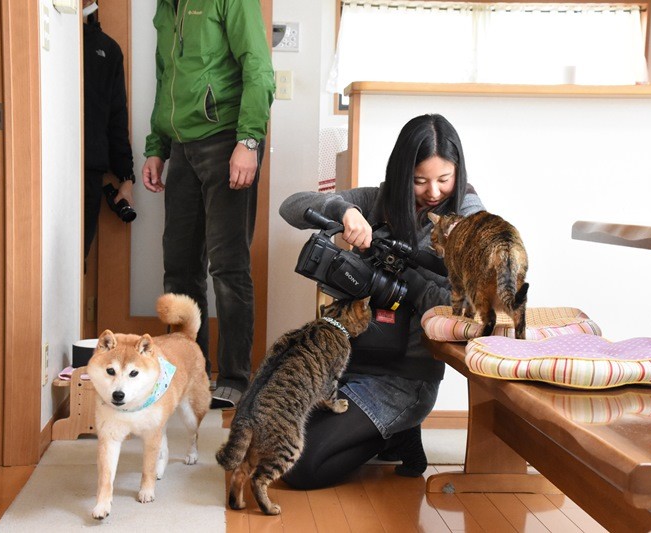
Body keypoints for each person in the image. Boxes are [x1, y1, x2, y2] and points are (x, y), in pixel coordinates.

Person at [278, 114, 485, 488]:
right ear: (403, 173)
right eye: (419, 180)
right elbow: (290, 206)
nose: (433, 192)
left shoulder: (468, 220)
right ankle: (393, 434)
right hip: (348, 364)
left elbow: (464, 307)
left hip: (404, 377)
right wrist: (344, 211)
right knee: (272, 435)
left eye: (444, 179)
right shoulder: (378, 202)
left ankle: (395, 433)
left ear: (459, 172)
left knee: (298, 466)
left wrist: (403, 276)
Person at [141, 0, 275, 409]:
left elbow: (258, 68)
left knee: (228, 266)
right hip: (181, 146)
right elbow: (165, 79)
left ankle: (234, 377)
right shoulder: (166, 7)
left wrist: (248, 141)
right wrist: (156, 146)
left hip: (227, 139)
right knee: (179, 266)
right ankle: (189, 374)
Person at [82, 0, 135, 260]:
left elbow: (117, 118)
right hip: (42, 169)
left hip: (89, 172)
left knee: (77, 259)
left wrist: (126, 176)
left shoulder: (108, 50)